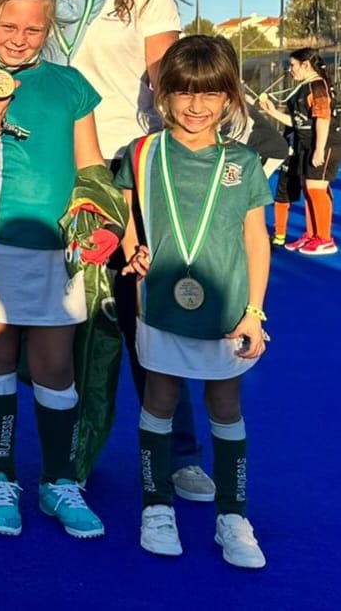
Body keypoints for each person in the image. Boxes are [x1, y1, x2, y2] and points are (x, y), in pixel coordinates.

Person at [27, 0, 212, 500]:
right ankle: (71, 452)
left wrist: (186, 152)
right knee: (69, 317)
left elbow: (166, 72)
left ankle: (178, 450)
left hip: (126, 170)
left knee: (141, 313)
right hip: (57, 171)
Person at [0, 0, 112, 539]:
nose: (19, 38)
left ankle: (59, 481)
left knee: (54, 368)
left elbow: (91, 166)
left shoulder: (69, 85)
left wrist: (110, 222)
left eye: (33, 30)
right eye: (8, 25)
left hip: (57, 251)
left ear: (49, 31)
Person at [117, 35, 271, 567]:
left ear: (229, 97)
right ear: (164, 95)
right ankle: (156, 504)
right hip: (158, 304)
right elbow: (126, 215)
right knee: (159, 398)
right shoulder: (142, 153)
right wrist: (129, 245)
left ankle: (232, 514)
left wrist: (254, 311)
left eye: (210, 94)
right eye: (183, 92)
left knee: (225, 406)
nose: (196, 106)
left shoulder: (243, 163)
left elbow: (256, 239)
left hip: (226, 312)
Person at [259, 47, 340, 255]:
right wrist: (273, 112)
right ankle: (313, 235)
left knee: (316, 188)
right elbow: (297, 123)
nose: (290, 70)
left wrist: (319, 149)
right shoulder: (304, 88)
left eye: (293, 65)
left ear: (306, 65)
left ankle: (324, 239)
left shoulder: (317, 86)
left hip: (325, 142)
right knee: (308, 188)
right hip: (307, 143)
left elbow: (323, 117)